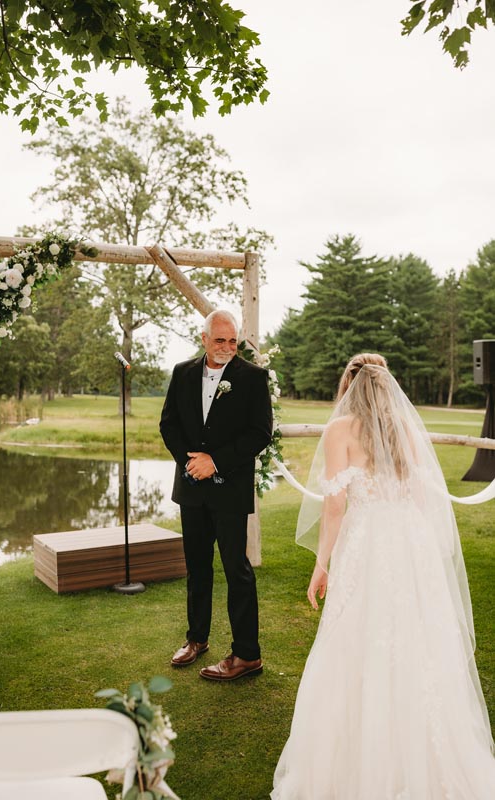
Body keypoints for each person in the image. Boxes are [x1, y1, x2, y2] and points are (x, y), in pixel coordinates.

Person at [272, 353, 495, 799]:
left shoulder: (340, 430)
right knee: (418, 643)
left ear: (348, 385)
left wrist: (322, 563)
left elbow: (335, 505)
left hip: (369, 543)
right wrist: (423, 555)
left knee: (357, 639)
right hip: (410, 543)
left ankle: (361, 760)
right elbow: (417, 497)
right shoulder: (405, 429)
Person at [160, 309, 273, 681]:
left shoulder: (253, 378)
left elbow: (260, 433)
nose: (227, 347)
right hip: (191, 489)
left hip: (229, 490)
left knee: (236, 570)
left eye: (232, 341)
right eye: (220, 340)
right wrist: (191, 463)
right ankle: (196, 639)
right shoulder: (182, 372)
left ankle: (247, 654)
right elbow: (169, 423)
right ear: (204, 338)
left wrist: (216, 462)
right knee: (197, 567)